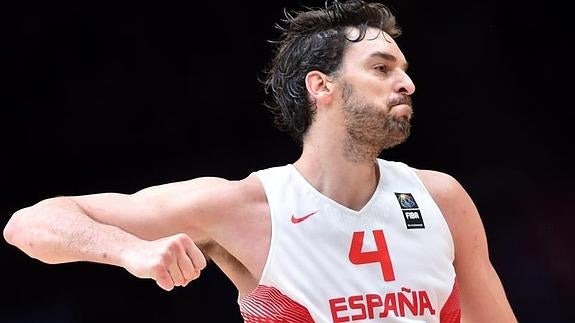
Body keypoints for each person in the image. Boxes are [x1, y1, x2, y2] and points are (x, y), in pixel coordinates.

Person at [3, 0, 518, 322]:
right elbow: (29, 224)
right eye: (382, 68)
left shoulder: (440, 199)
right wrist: (127, 251)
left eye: (403, 69)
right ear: (322, 86)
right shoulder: (245, 206)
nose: (406, 82)